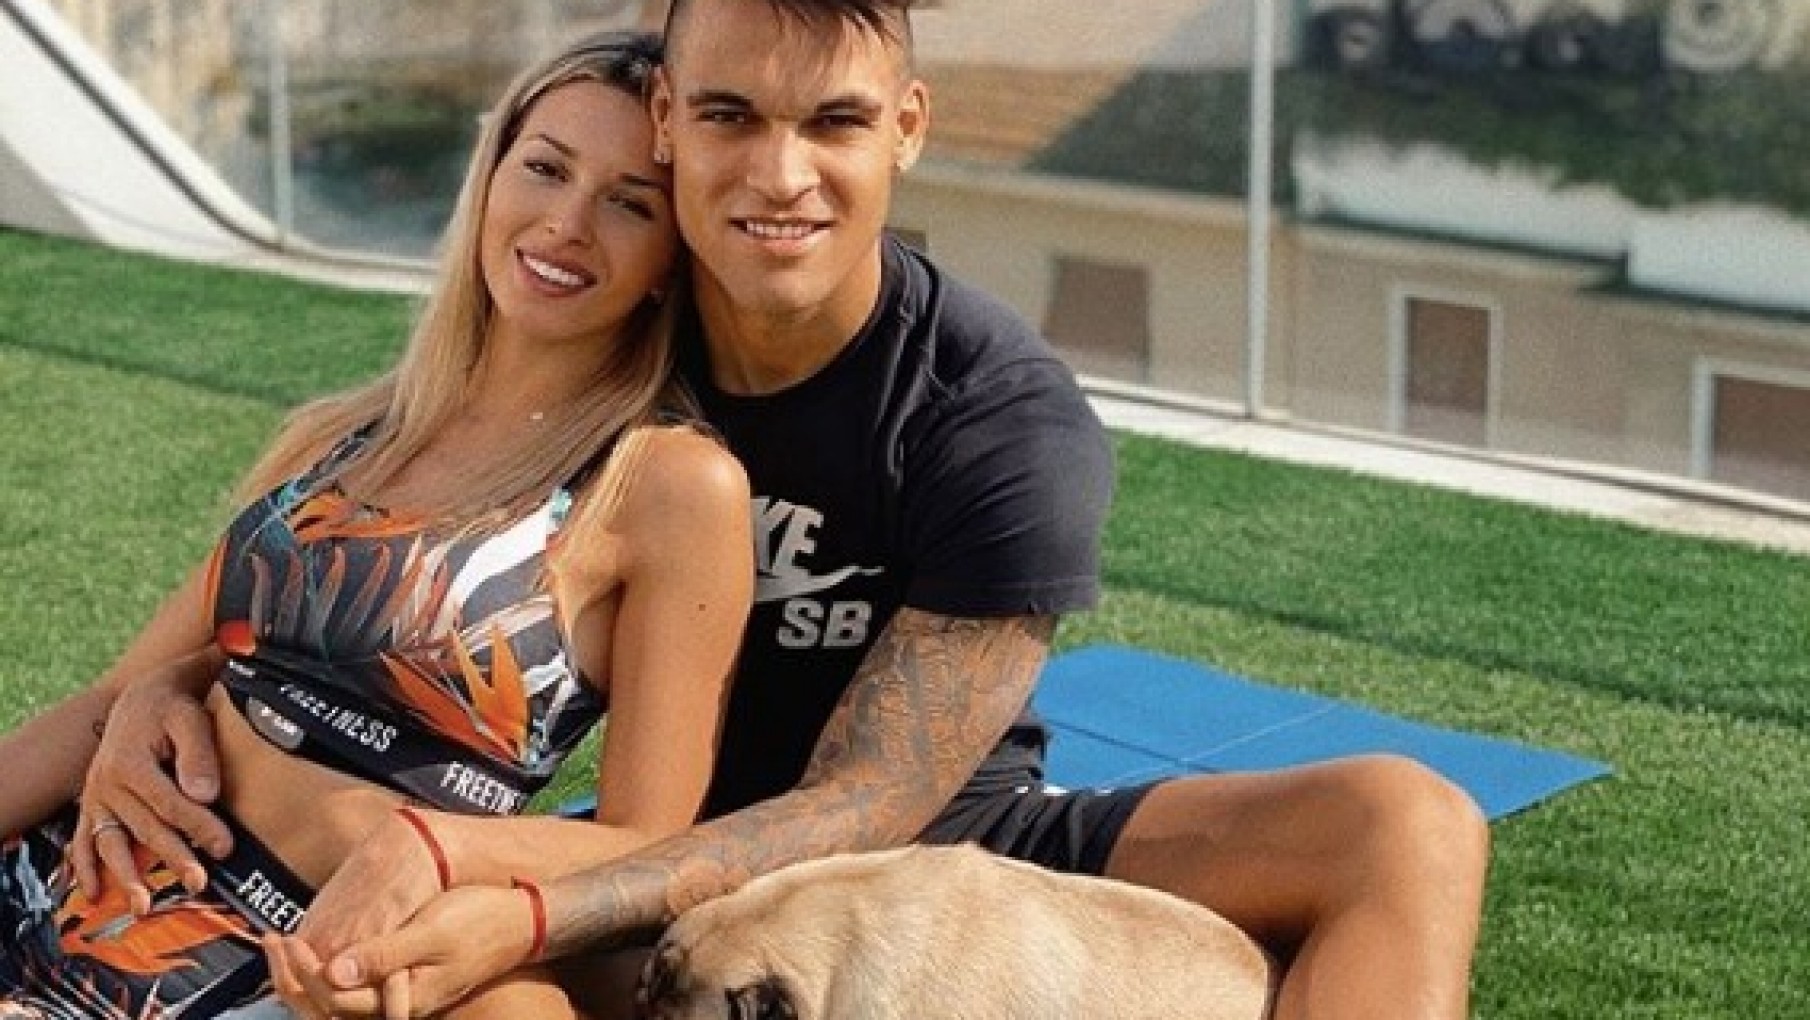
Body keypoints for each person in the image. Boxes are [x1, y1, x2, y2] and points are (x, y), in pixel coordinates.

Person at [110, 2, 1491, 1018]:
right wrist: (163, 687)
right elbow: (367, 555)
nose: (779, 177)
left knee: (1405, 820)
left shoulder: (996, 417)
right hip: (645, 850)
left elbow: (872, 801)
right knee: (457, 990)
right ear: (668, 120)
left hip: (942, 841)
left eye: (832, 121)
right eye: (728, 117)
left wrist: (523, 904)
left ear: (907, 127)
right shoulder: (608, 319)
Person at [0, 30, 753, 1020]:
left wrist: (436, 847)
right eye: (544, 168)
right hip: (72, 877)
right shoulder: (341, 434)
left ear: (670, 257)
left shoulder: (666, 484)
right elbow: (112, 698)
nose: (567, 222)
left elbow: (649, 850)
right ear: (489, 181)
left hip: (273, 959)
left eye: (630, 203)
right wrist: (152, 695)